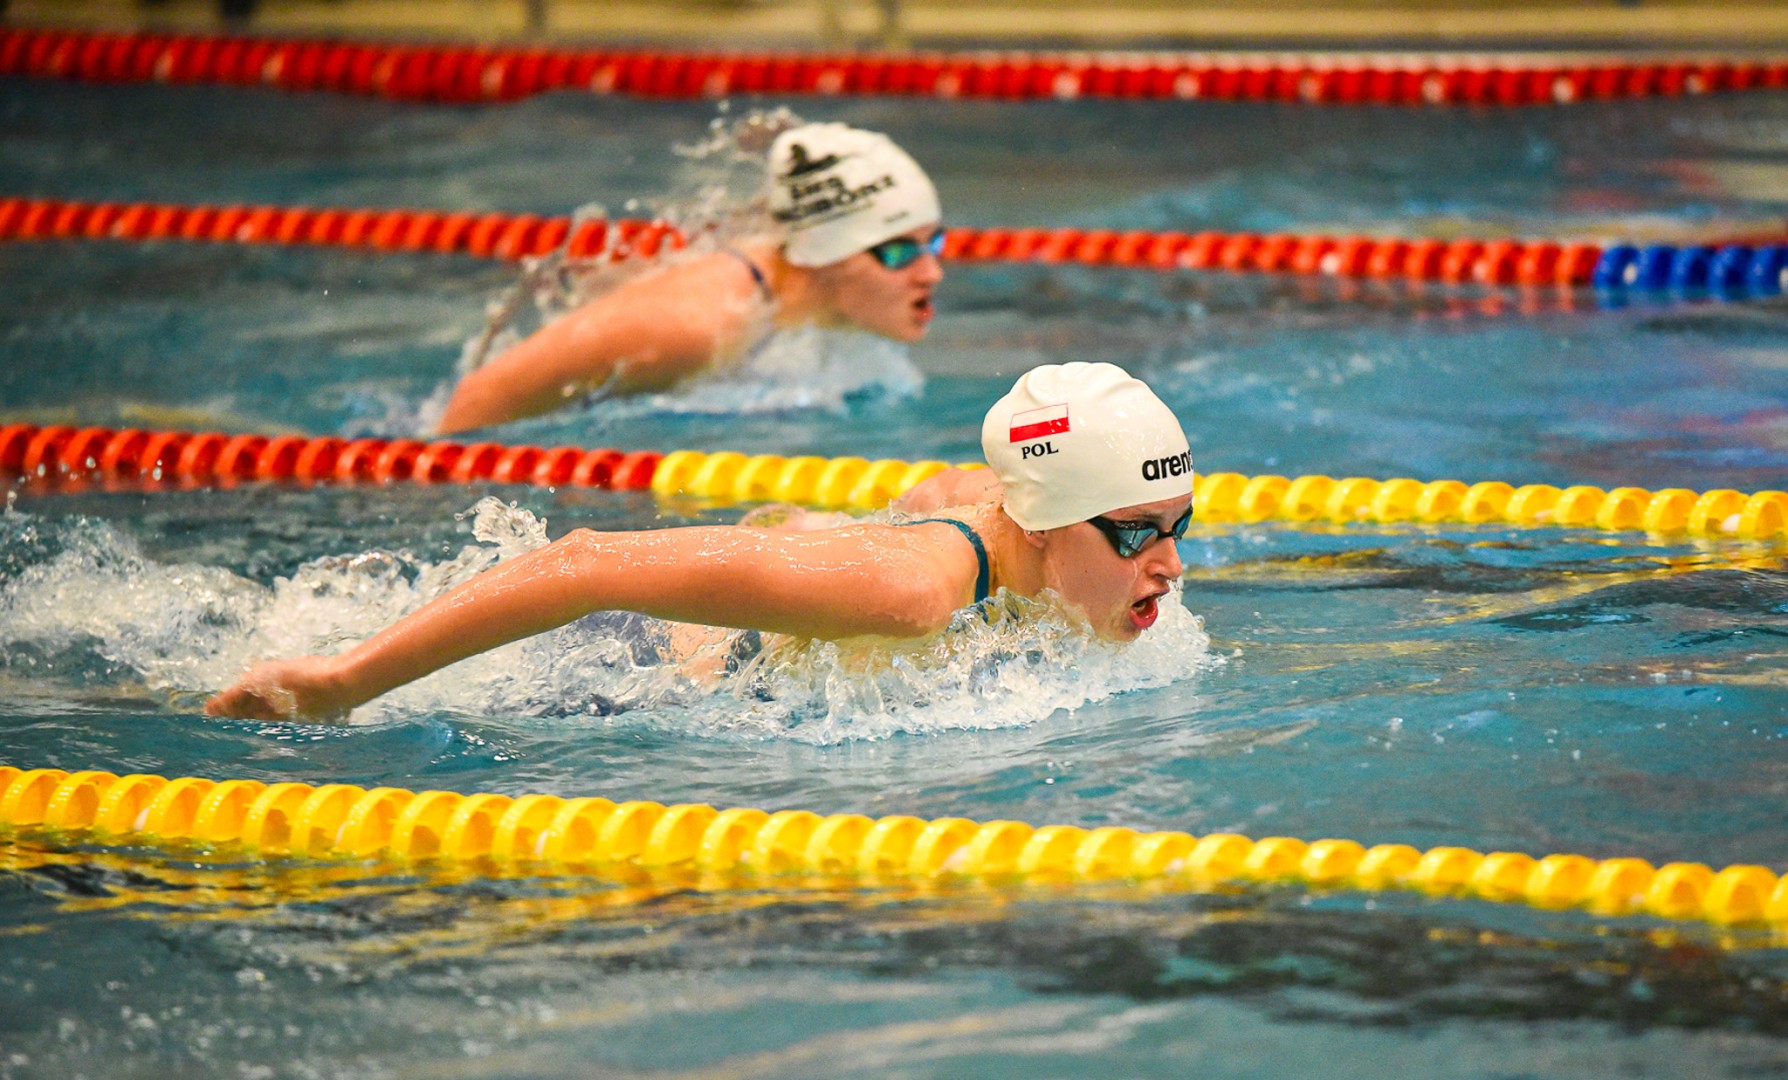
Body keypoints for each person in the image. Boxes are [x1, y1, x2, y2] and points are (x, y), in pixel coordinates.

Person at [206, 362, 1195, 722]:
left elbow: (942, 484)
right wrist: (343, 683)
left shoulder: (1012, 508)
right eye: (1139, 535)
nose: (1173, 565)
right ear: (1042, 522)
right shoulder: (911, 593)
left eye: (1178, 528)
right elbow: (588, 565)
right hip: (592, 670)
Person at [433, 122, 946, 435]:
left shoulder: (817, 303)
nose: (932, 271)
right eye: (900, 251)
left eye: (934, 242)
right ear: (825, 254)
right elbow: (477, 400)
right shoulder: (694, 327)